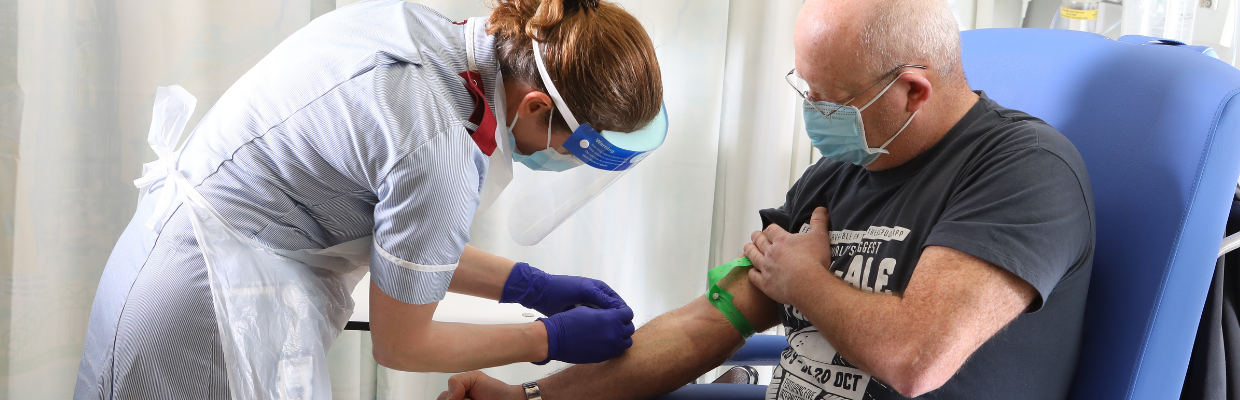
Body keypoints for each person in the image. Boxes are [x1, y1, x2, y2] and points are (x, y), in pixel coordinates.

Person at [439, 0, 1095, 399]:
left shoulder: (1022, 172)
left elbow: (914, 359)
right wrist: (531, 397)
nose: (812, 114)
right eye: (804, 89)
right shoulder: (841, 172)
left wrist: (804, 280)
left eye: (827, 98)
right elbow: (710, 324)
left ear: (914, 93)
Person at [74, 0, 667, 398]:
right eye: (572, 150)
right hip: (202, 311)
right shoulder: (440, 145)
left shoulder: (422, 33)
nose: (563, 162)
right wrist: (548, 340)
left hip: (169, 257)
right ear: (536, 106)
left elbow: (403, 240)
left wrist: (532, 286)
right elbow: (402, 343)